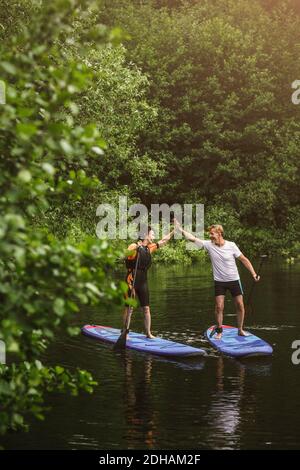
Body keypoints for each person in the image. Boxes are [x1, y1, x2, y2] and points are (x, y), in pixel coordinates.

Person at [174, 220, 260, 339]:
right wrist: (181, 230)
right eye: (210, 233)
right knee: (219, 307)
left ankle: (240, 329)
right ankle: (219, 330)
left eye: (212, 233)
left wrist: (254, 274)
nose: (210, 235)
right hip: (220, 282)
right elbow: (193, 238)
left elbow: (244, 259)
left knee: (240, 305)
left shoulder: (231, 245)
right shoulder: (209, 245)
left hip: (234, 280)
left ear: (219, 233)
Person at [123, 225, 174, 339]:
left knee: (146, 308)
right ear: (146, 234)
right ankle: (125, 332)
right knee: (130, 308)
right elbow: (125, 255)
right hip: (131, 280)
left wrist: (174, 231)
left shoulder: (149, 248)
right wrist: (135, 248)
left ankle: (148, 333)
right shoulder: (134, 245)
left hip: (143, 281)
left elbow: (163, 241)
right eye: (152, 234)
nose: (154, 236)